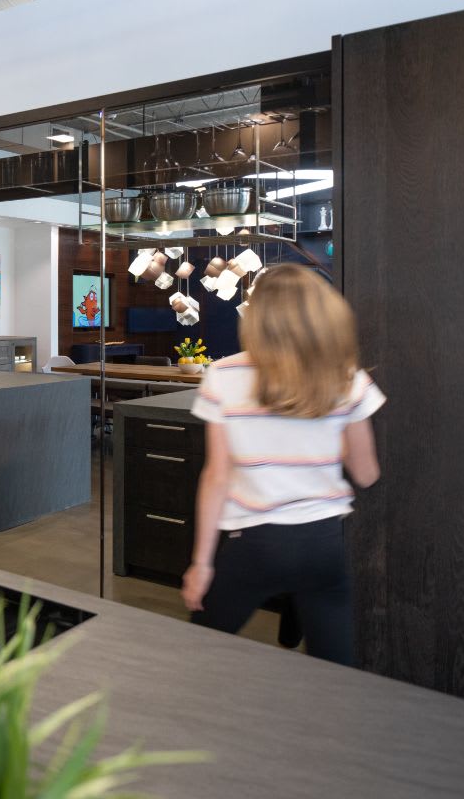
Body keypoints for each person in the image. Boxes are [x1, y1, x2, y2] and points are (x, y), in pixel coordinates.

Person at [181, 264, 383, 665]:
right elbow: (366, 473)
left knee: (199, 658)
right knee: (334, 670)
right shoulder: (347, 378)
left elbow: (217, 477)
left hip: (254, 547)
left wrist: (201, 564)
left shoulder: (222, 375)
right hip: (323, 546)